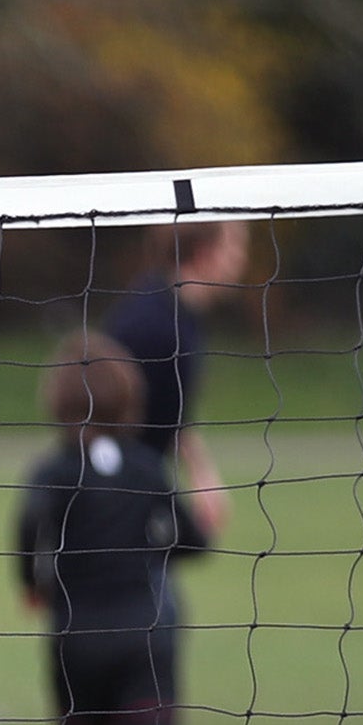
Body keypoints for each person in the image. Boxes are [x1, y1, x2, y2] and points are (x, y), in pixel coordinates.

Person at [14, 332, 221, 725]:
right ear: (130, 400)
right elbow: (194, 539)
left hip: (77, 642)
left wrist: (32, 585)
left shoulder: (52, 471)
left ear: (56, 402)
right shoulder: (147, 467)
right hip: (148, 636)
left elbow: (28, 533)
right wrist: (146, 552)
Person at [99, 219, 248, 539]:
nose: (240, 258)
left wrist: (202, 476)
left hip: (139, 489)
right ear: (205, 252)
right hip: (115, 496)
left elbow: (172, 411)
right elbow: (107, 417)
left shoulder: (182, 315)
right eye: (233, 247)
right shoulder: (151, 324)